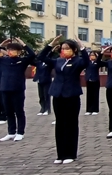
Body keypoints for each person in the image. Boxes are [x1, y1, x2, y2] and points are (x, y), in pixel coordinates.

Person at [37, 36, 90, 164]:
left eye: (67, 48)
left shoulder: (78, 61)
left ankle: (71, 154)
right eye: (62, 48)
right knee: (60, 124)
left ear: (73, 50)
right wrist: (50, 45)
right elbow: (41, 57)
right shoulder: (58, 61)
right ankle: (60, 154)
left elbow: (87, 63)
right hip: (58, 94)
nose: (64, 50)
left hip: (71, 95)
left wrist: (81, 47)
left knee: (71, 124)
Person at [0, 39, 36, 142]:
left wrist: (23, 44)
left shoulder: (22, 61)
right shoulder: (3, 60)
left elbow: (32, 55)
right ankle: (11, 132)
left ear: (19, 51)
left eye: (13, 50)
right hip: (5, 88)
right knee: (9, 112)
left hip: (18, 89)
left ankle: (20, 132)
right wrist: (0, 45)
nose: (10, 51)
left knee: (19, 112)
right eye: (8, 49)